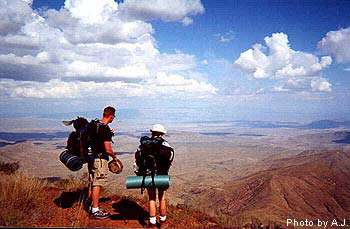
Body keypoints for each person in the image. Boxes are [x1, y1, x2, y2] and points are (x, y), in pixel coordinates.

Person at [135, 124, 174, 227]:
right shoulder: (165, 144)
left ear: (152, 132)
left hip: (148, 174)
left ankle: (152, 222)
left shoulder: (144, 144)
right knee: (162, 198)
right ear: (162, 134)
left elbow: (138, 159)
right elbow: (169, 159)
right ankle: (162, 222)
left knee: (152, 198)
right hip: (161, 175)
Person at [88, 106, 118, 219]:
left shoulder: (95, 125)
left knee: (92, 181)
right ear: (111, 116)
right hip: (100, 159)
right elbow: (108, 149)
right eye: (113, 116)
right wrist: (114, 157)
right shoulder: (104, 129)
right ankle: (95, 211)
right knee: (97, 183)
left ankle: (91, 206)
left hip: (92, 157)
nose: (113, 118)